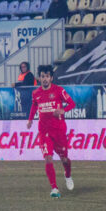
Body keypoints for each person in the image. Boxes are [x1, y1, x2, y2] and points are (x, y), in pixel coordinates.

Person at [26, 66, 76, 198]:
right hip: (44, 131)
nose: (45, 79)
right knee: (48, 158)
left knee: (64, 159)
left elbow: (72, 103)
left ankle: (68, 175)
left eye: (47, 76)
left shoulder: (59, 90)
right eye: (42, 76)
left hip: (59, 131)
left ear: (51, 78)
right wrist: (30, 120)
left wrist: (63, 110)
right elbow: (34, 106)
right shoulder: (36, 93)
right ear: (40, 78)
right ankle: (54, 188)